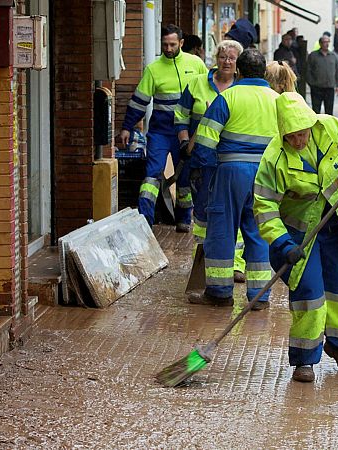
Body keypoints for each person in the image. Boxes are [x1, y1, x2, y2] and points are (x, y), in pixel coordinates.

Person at [253, 92, 338, 383]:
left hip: (335, 227)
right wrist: (283, 244)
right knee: (309, 294)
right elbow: (264, 206)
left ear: (311, 123)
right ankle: (304, 360)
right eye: (293, 136)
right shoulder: (275, 158)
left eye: (303, 133)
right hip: (299, 236)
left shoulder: (329, 128)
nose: (299, 141)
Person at [187, 49, 278, 308]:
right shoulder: (277, 100)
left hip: (229, 172)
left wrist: (203, 172)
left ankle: (219, 292)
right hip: (265, 175)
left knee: (222, 230)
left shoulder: (227, 97)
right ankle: (259, 297)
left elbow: (204, 143)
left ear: (239, 71)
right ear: (264, 73)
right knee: (260, 233)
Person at [119, 24, 208, 230]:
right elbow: (139, 101)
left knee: (184, 177)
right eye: (165, 45)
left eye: (172, 44)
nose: (168, 49)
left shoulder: (196, 64)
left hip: (184, 132)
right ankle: (145, 220)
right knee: (152, 175)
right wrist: (127, 127)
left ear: (181, 43)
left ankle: (184, 219)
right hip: (160, 131)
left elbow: (209, 90)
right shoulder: (153, 69)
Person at [175, 40, 247, 285]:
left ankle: (236, 264)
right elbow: (181, 116)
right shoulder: (196, 83)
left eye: (232, 58)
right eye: (223, 57)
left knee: (233, 214)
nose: (227, 62)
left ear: (238, 63)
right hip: (201, 158)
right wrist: (185, 143)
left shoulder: (241, 88)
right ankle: (205, 259)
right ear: (216, 58)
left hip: (228, 161)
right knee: (204, 213)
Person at [306, 35, 338, 115]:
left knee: (329, 111)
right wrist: (311, 83)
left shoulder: (333, 56)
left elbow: (337, 71)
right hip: (317, 88)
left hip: (329, 88)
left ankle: (328, 127)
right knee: (316, 111)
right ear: (320, 43)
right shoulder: (313, 56)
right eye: (324, 42)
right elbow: (308, 71)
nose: (326, 44)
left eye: (327, 42)